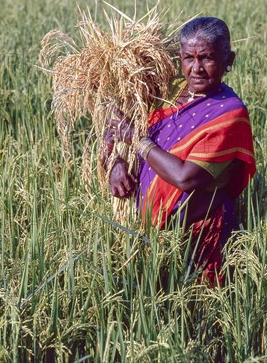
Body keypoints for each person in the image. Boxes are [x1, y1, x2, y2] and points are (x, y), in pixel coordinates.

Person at [106, 17, 256, 285]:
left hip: (200, 236)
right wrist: (115, 162)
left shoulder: (229, 113)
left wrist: (138, 141)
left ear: (229, 60)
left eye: (207, 58)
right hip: (147, 236)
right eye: (189, 58)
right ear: (179, 58)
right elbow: (113, 124)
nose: (196, 68)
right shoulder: (164, 90)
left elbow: (186, 178)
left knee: (200, 310)